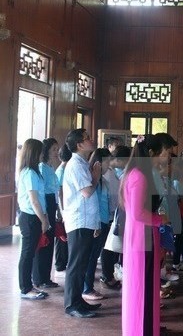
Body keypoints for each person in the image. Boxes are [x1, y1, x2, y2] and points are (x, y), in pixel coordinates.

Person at [121, 133, 176, 336]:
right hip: (141, 238)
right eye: (166, 152)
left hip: (145, 236)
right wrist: (161, 219)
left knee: (147, 287)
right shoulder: (139, 176)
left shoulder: (139, 174)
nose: (168, 156)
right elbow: (137, 213)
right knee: (141, 289)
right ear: (152, 153)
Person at [62, 128, 102, 318]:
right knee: (76, 264)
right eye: (87, 139)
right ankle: (71, 304)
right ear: (79, 145)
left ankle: (79, 301)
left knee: (82, 263)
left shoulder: (82, 163)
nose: (91, 140)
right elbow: (87, 192)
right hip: (78, 220)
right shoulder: (75, 165)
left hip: (86, 221)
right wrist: (95, 176)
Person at [16, 138, 50, 300]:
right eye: (40, 151)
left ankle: (28, 284)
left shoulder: (33, 171)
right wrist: (43, 219)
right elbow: (34, 200)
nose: (42, 154)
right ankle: (25, 288)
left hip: (34, 216)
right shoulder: (29, 172)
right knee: (28, 252)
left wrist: (44, 217)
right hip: (30, 217)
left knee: (31, 252)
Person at [82, 148, 112, 301]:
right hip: (97, 222)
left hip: (104, 221)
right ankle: (87, 288)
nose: (109, 165)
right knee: (91, 257)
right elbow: (93, 204)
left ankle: (88, 287)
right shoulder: (93, 179)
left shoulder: (102, 180)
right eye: (107, 161)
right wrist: (97, 225)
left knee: (94, 256)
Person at [101, 145, 130, 289]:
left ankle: (110, 273)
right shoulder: (108, 173)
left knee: (113, 246)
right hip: (109, 214)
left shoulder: (113, 172)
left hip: (114, 213)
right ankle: (107, 275)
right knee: (109, 247)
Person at [32, 137, 60, 289]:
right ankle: (38, 277)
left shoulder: (50, 167)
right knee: (43, 242)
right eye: (54, 149)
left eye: (57, 149)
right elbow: (42, 192)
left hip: (52, 203)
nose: (57, 152)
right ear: (47, 150)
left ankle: (46, 276)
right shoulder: (42, 168)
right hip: (46, 204)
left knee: (49, 242)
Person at [54, 144, 72, 272]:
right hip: (62, 209)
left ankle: (63, 261)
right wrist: (62, 211)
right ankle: (60, 263)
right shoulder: (61, 171)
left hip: (65, 208)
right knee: (61, 237)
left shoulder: (65, 168)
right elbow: (59, 193)